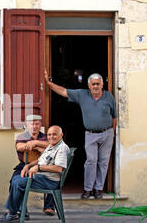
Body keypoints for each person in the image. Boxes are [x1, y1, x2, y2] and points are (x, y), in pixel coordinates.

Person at [44, 70, 117, 199]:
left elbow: (114, 116)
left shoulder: (109, 97)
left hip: (107, 133)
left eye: (98, 84)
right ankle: (88, 189)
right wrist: (49, 84)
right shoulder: (82, 95)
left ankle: (98, 189)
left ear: (102, 85)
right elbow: (63, 91)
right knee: (91, 161)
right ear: (89, 85)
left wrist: (113, 134)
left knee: (104, 162)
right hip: (90, 134)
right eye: (93, 84)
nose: (95, 86)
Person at [0, 126, 69, 223]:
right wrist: (29, 165)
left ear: (61, 135)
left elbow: (59, 168)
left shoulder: (62, 148)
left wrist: (38, 168)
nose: (51, 137)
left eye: (54, 134)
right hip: (42, 177)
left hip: (50, 181)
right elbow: (41, 160)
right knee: (16, 179)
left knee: (18, 182)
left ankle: (13, 213)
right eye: (49, 134)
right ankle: (18, 212)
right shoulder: (52, 146)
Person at [13, 114, 56, 216]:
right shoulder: (22, 137)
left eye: (37, 124)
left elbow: (53, 146)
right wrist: (37, 147)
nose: (34, 126)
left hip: (44, 165)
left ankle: (49, 207)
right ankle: (21, 209)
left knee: (53, 177)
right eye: (32, 124)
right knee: (14, 180)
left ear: (40, 125)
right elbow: (20, 147)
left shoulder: (46, 136)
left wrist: (35, 142)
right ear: (27, 125)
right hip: (25, 165)